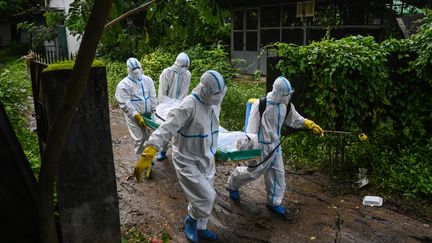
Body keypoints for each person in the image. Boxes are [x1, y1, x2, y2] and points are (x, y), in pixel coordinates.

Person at [134, 70, 227, 243]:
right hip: (187, 160)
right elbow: (167, 128)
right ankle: (190, 221)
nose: (218, 98)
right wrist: (149, 151)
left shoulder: (213, 103)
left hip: (207, 158)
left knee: (200, 197)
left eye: (220, 94)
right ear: (206, 90)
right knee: (207, 197)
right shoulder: (189, 105)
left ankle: (201, 228)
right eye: (216, 94)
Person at [226, 76, 324, 216]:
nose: (287, 97)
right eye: (285, 95)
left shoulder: (286, 105)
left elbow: (295, 119)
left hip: (275, 146)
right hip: (261, 146)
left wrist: (308, 123)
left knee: (278, 174)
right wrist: (250, 149)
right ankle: (233, 184)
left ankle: (274, 202)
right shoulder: (261, 105)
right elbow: (250, 131)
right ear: (278, 93)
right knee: (253, 172)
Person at [115, 57, 157, 159]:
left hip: (148, 114)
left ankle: (148, 158)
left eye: (138, 69)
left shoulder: (147, 80)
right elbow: (124, 103)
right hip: (134, 117)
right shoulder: (124, 85)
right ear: (129, 70)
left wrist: (154, 109)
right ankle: (140, 160)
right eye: (134, 71)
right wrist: (136, 115)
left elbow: (152, 96)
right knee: (140, 138)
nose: (137, 72)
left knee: (148, 137)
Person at [156, 52, 191, 161]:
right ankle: (163, 150)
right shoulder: (166, 73)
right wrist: (170, 104)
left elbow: (183, 93)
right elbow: (162, 95)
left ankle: (178, 153)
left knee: (179, 129)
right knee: (165, 127)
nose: (184, 68)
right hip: (164, 106)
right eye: (182, 66)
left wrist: (178, 105)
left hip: (178, 104)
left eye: (186, 67)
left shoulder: (187, 74)